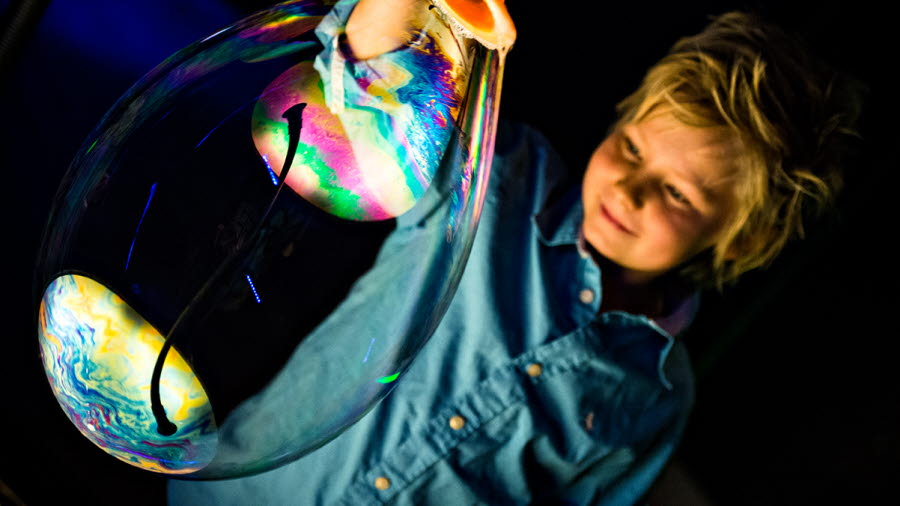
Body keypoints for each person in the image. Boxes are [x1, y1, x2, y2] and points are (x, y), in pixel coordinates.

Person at [169, 0, 860, 503]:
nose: (630, 187)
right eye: (630, 147)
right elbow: (365, 94)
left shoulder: (659, 397)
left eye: (678, 194)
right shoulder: (502, 184)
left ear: (739, 238)